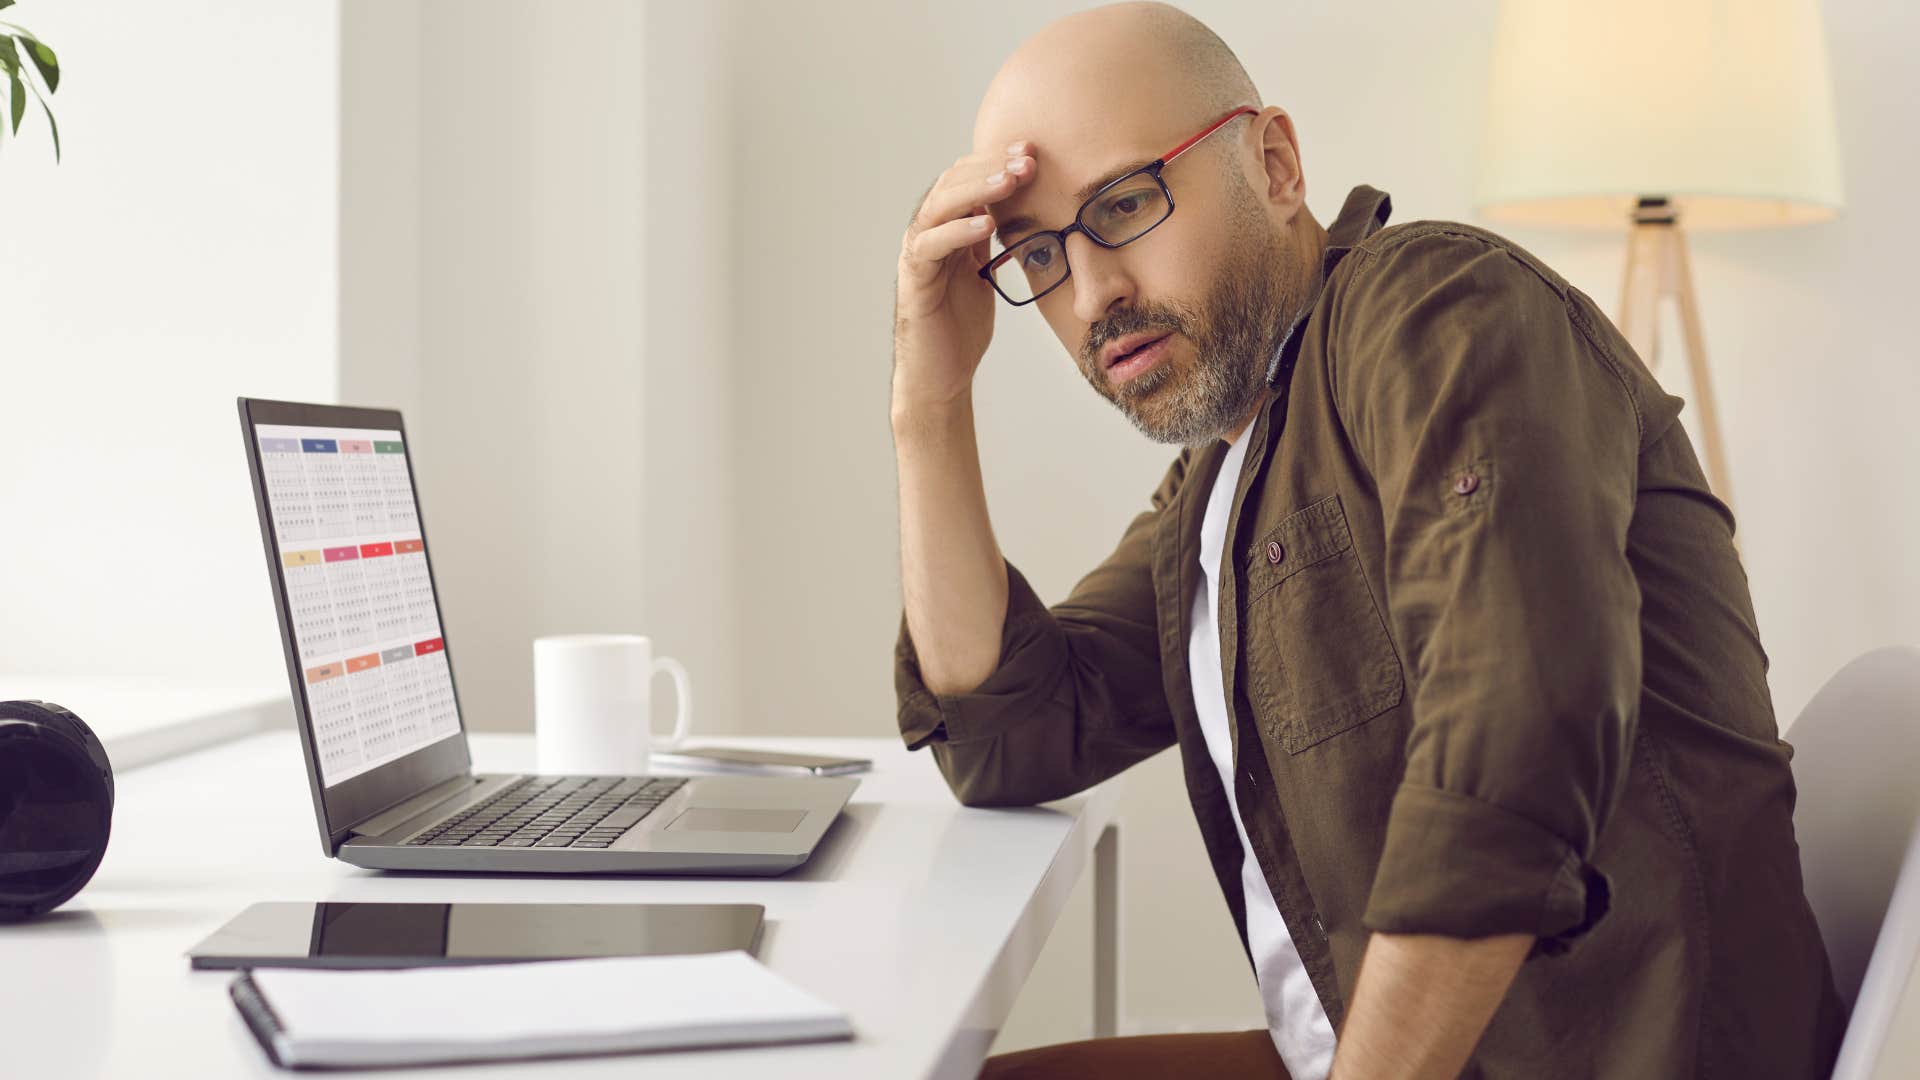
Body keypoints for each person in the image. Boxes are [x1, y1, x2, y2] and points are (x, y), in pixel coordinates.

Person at [888, 3, 1848, 1078]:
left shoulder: (1440, 310)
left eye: (1124, 204)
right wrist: (930, 401)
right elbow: (1009, 735)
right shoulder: (1223, 474)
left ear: (1277, 163)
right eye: (1040, 254)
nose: (1095, 292)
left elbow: (1512, 743)